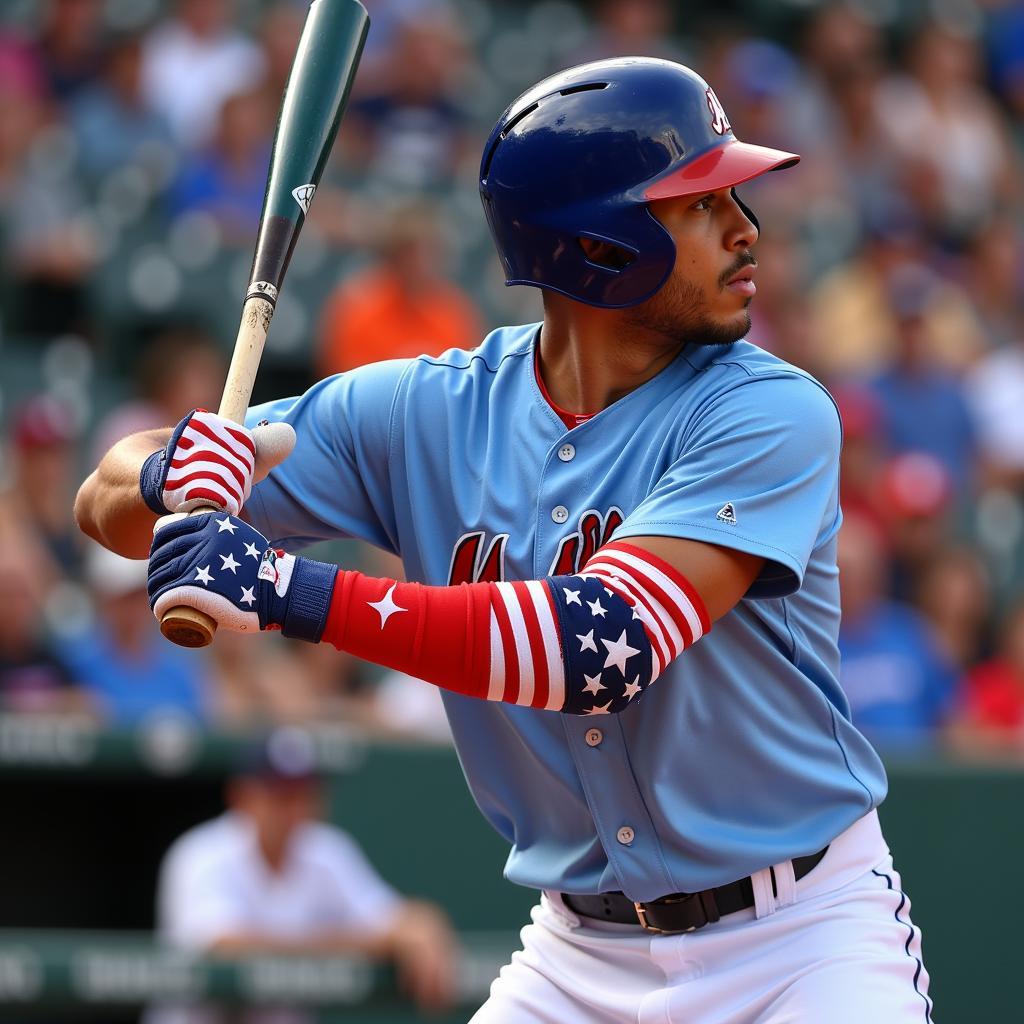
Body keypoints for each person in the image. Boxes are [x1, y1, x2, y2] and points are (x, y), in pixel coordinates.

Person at [77, 58, 933, 1022]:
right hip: (580, 956)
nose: (747, 229)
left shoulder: (770, 410)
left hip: (804, 942)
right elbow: (105, 496)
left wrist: (286, 590)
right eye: (700, 203)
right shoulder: (423, 412)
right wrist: (169, 476)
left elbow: (599, 646)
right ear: (598, 246)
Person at [145, 727, 457, 1023]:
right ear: (241, 796)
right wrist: (365, 945)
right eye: (280, 795)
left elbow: (396, 919)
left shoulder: (326, 850)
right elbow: (226, 949)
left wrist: (423, 926)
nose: (294, 809)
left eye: (303, 794)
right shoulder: (201, 852)